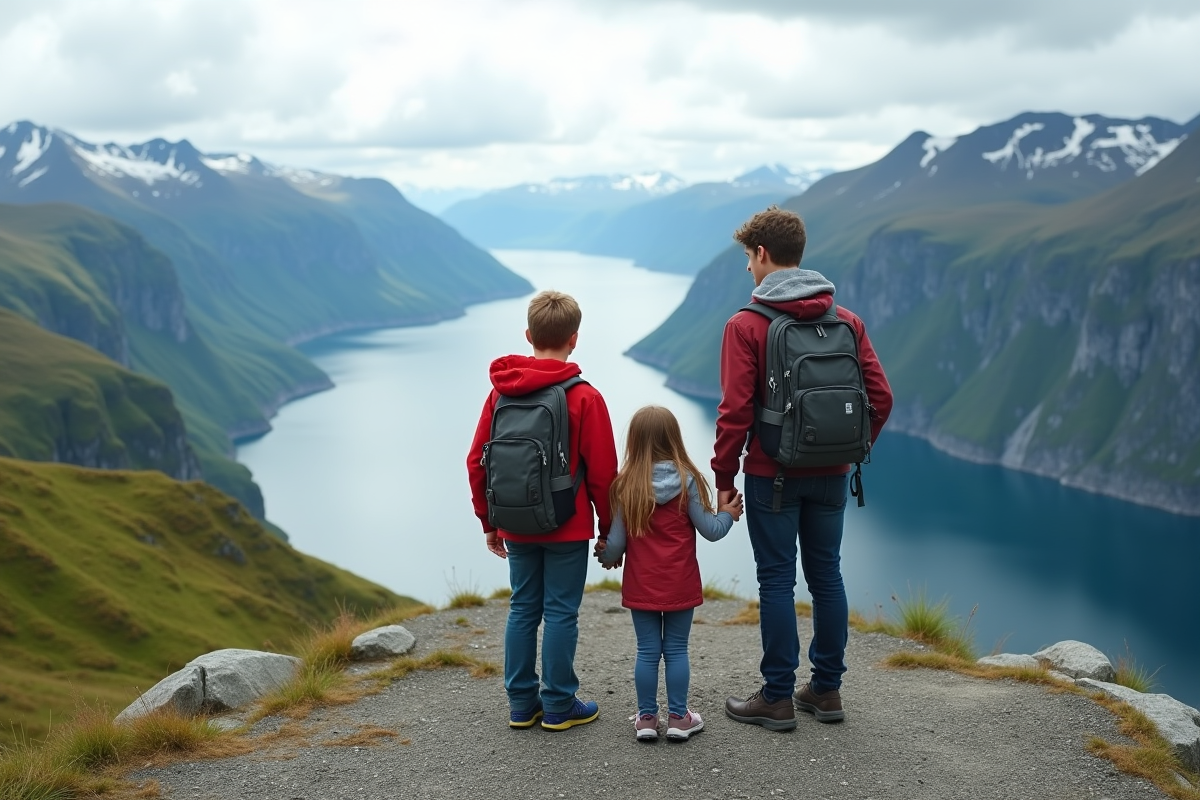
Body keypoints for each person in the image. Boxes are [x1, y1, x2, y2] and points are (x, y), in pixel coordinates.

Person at [716, 207, 893, 731]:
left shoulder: (746, 325)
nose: (748, 268)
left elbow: (735, 413)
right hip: (833, 473)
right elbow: (881, 398)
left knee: (776, 580)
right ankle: (826, 690)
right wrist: (849, 448)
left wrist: (723, 479)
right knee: (827, 576)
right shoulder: (846, 321)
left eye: (748, 258)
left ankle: (776, 698)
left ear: (762, 254)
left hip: (771, 475)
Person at [466, 290, 619, 731]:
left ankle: (521, 704)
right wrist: (609, 528)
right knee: (560, 613)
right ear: (574, 339)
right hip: (567, 525)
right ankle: (558, 705)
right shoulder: (585, 397)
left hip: (515, 522)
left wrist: (489, 521)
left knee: (522, 608)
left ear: (528, 336)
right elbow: (603, 474)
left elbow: (476, 461)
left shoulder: (499, 395)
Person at [597, 405, 744, 742]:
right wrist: (728, 514)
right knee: (676, 649)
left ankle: (647, 719)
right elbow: (711, 530)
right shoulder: (688, 480)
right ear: (674, 438)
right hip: (680, 583)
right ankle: (679, 718)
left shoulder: (625, 485)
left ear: (634, 441)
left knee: (647, 651)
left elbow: (616, 545)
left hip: (641, 585)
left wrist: (605, 555)